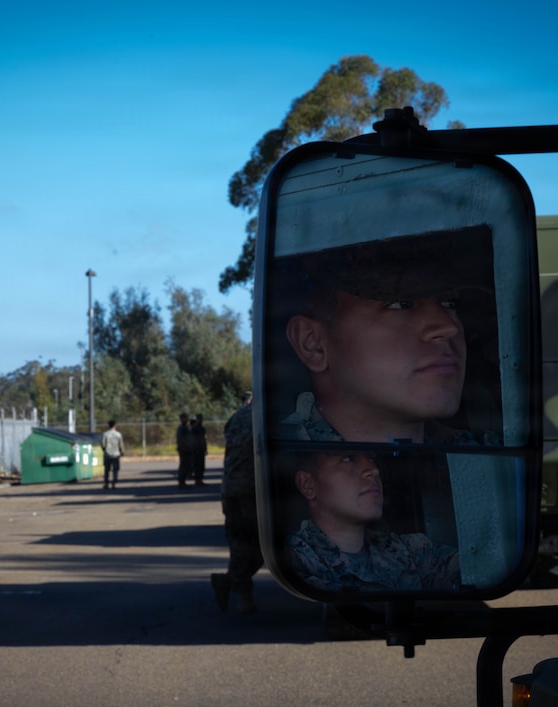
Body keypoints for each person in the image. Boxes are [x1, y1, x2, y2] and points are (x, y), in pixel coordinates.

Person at [278, 236, 497, 446]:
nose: (448, 327)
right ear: (313, 344)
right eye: (400, 304)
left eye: (449, 303)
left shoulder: (491, 460)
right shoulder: (273, 460)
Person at [284, 450, 460, 592]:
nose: (374, 470)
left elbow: (471, 567)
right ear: (307, 484)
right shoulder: (292, 562)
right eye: (348, 458)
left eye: (372, 459)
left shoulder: (410, 552)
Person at [210, 393, 262, 614]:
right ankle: (237, 589)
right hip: (250, 490)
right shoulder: (264, 415)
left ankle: (239, 592)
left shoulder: (237, 416)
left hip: (231, 489)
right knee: (259, 546)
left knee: (241, 544)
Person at [100, 419, 124, 490]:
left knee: (107, 469)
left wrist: (104, 450)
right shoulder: (118, 434)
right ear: (115, 425)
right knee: (115, 469)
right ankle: (114, 482)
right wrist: (122, 452)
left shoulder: (105, 434)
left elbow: (103, 444)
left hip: (107, 454)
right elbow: (121, 444)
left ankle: (106, 483)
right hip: (116, 454)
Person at [176, 412, 193, 488]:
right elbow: (182, 440)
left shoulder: (185, 427)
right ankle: (181, 482)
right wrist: (185, 447)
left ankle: (183, 481)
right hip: (184, 449)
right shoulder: (182, 428)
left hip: (186, 449)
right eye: (185, 418)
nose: (187, 419)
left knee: (186, 465)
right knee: (183, 465)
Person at [190, 413, 208, 486]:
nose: (200, 420)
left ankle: (200, 479)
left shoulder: (202, 428)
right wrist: (194, 449)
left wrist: (205, 449)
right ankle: (197, 480)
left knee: (201, 466)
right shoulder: (194, 429)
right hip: (196, 450)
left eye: (201, 419)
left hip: (201, 449)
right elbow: (192, 440)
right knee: (197, 465)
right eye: (199, 419)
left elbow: (204, 439)